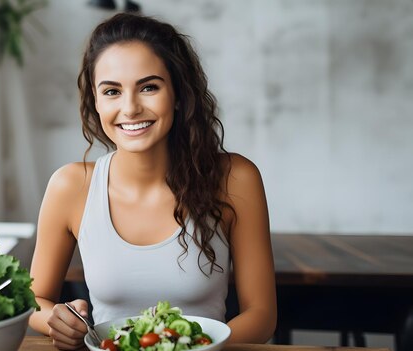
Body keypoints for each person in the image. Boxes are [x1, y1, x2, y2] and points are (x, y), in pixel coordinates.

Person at [28, 12, 276, 350]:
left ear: (178, 94)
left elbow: (261, 314)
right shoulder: (70, 186)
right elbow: (34, 298)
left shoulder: (235, 179)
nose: (130, 108)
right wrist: (57, 320)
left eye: (148, 87)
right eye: (112, 91)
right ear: (96, 102)